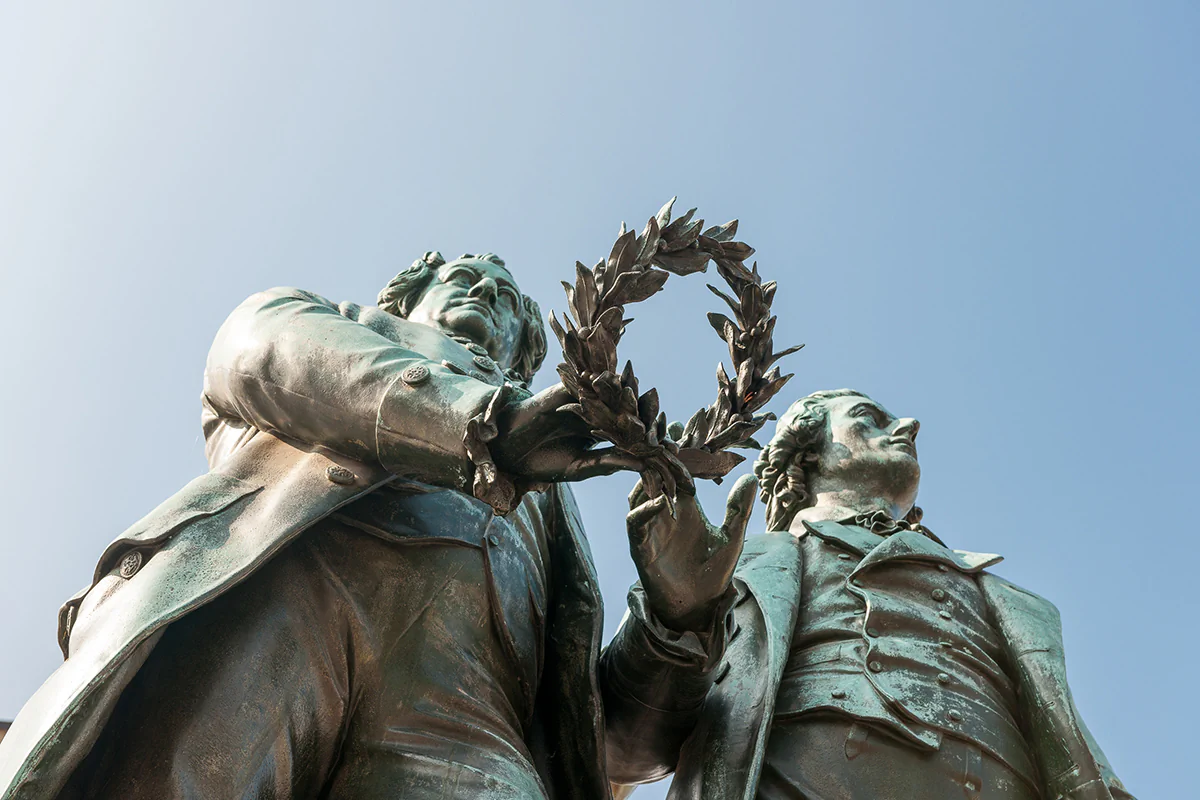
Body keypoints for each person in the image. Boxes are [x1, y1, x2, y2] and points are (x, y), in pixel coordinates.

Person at [0, 251, 731, 800]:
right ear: (406, 296)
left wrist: (677, 621)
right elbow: (257, 351)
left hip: (471, 731)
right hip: (276, 609)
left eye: (509, 300)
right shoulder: (333, 329)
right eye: (465, 278)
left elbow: (606, 748)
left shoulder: (557, 495)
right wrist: (478, 421)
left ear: (525, 350)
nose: (485, 294)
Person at [607, 389, 1134, 800]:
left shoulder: (1007, 598)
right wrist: (676, 618)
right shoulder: (727, 560)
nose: (908, 425)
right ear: (806, 453)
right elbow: (621, 751)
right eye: (869, 417)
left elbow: (1083, 767)